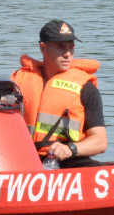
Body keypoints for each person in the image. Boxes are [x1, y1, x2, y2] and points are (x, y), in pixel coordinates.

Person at [11, 20, 108, 168]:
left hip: (67, 160)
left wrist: (70, 149)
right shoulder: (17, 83)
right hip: (23, 159)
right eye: (61, 47)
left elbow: (100, 142)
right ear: (43, 48)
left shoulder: (86, 88)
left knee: (101, 170)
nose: (67, 54)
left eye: (71, 47)